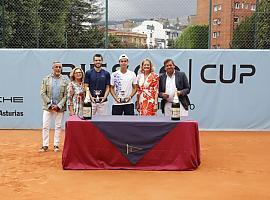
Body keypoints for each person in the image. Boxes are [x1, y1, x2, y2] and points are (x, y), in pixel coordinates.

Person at [39, 61, 68, 152]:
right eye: (56, 67)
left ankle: (56, 145)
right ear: (52, 68)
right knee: (45, 126)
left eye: (60, 67)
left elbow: (66, 95)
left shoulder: (64, 80)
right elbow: (42, 93)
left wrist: (58, 105)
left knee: (58, 126)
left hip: (59, 108)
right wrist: (50, 104)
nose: (58, 69)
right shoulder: (46, 79)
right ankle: (45, 145)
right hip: (48, 107)